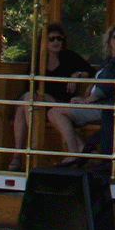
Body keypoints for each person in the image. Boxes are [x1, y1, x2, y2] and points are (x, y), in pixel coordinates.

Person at [10, 24, 91, 169]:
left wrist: (77, 75)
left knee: (24, 105)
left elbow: (91, 72)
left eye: (59, 38)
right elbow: (30, 86)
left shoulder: (69, 57)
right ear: (44, 42)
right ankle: (23, 152)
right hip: (41, 102)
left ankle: (27, 151)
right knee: (25, 102)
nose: (56, 42)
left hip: (62, 102)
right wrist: (45, 97)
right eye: (51, 39)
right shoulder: (37, 60)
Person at [46, 26, 115, 164]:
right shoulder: (109, 60)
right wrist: (87, 92)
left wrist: (87, 100)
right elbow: (97, 78)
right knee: (54, 111)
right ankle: (83, 149)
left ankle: (74, 153)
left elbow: (108, 86)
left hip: (107, 108)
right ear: (109, 41)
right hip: (96, 104)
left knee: (54, 112)